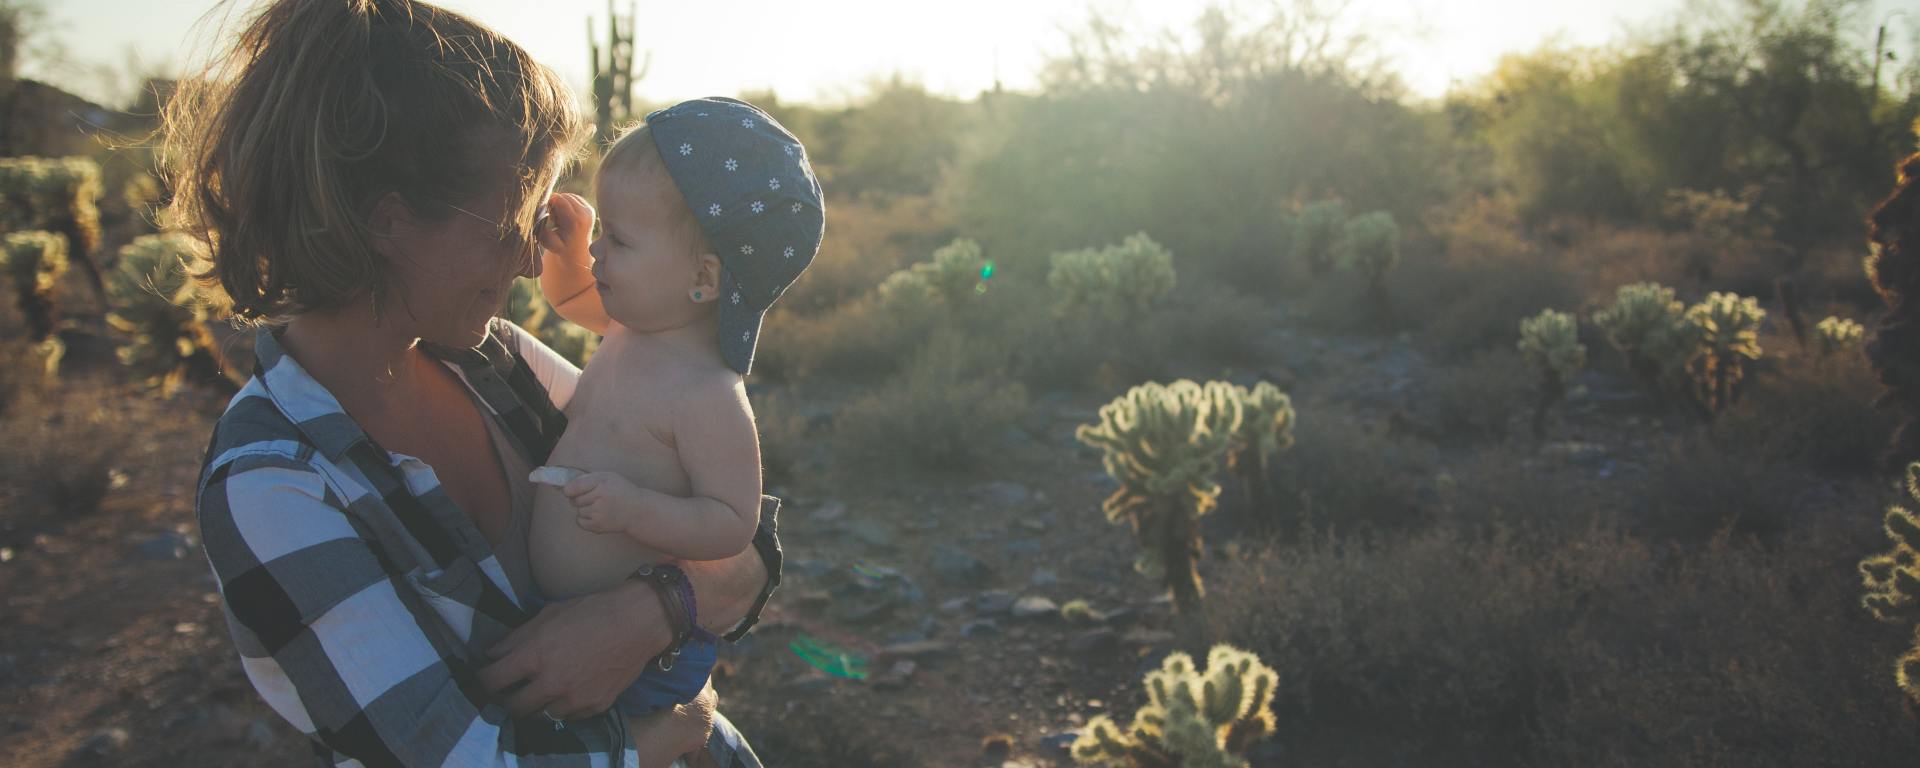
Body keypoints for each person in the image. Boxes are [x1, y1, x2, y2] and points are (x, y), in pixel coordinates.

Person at [168, 1, 780, 765]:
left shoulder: (497, 363)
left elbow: (747, 545)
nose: (534, 261)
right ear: (387, 222)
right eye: (512, 221)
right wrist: (663, 735)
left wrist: (651, 611)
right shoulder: (274, 485)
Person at [523, 98, 822, 726]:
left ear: (704, 278)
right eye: (604, 229)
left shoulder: (706, 395)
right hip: (568, 621)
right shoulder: (632, 327)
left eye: (620, 240)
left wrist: (636, 509)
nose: (601, 252)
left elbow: (731, 523)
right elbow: (574, 295)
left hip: (640, 662)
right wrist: (571, 250)